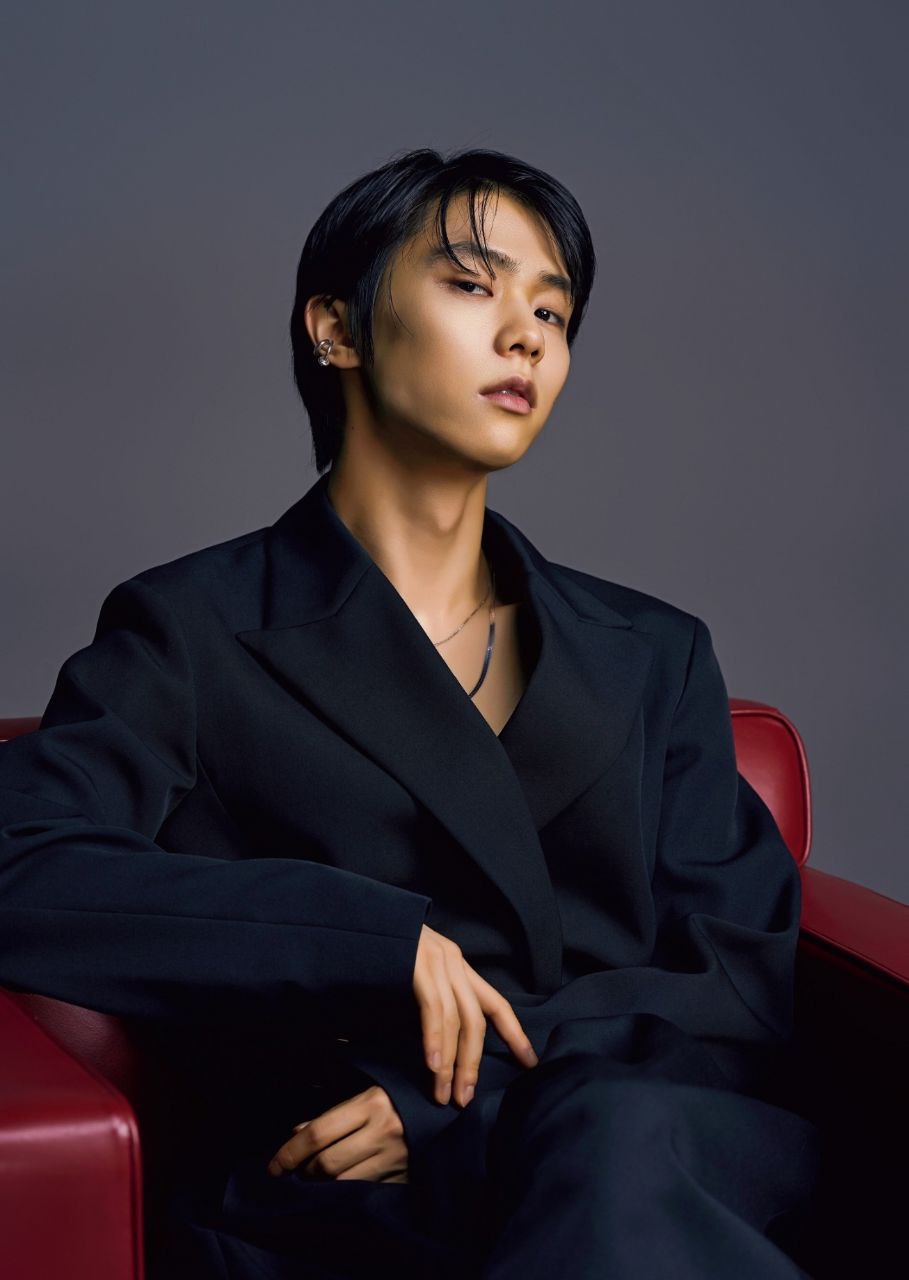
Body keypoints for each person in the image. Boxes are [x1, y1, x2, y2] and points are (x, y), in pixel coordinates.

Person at [0, 147, 820, 1278]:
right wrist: (369, 939)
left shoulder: (652, 653)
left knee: (617, 1137)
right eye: (474, 285)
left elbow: (736, 977)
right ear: (335, 327)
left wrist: (467, 1091)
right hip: (348, 1188)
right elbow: (24, 860)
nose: (527, 337)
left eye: (553, 311)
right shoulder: (192, 629)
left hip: (636, 1140)